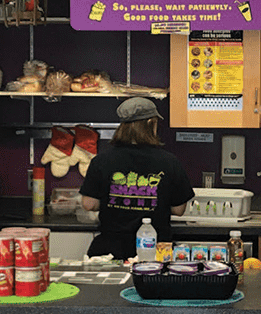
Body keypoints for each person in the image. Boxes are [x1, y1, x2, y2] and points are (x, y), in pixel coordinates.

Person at [79, 97, 195, 260]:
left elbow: (89, 204)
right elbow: (178, 210)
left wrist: (116, 202)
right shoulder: (169, 161)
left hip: (110, 252)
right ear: (150, 124)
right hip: (154, 251)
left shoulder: (101, 160)